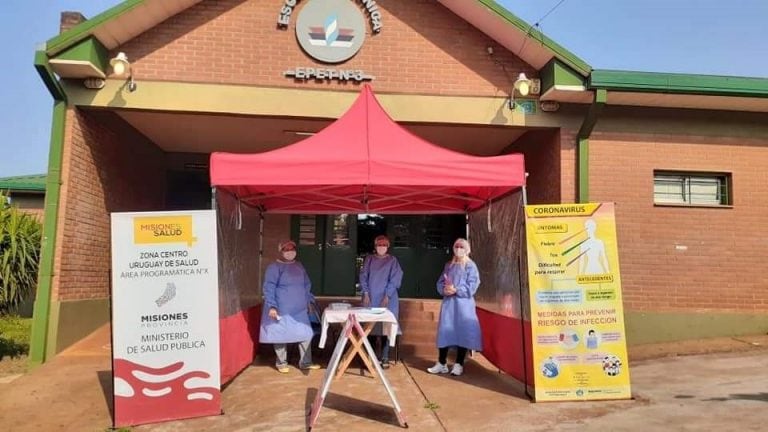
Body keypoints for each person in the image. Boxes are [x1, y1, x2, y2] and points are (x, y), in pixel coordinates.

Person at [259, 240, 321, 373]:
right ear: (281, 251)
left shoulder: (299, 266)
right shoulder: (274, 267)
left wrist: (309, 302)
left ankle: (305, 362)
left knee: (305, 333)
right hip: (282, 309)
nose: (289, 252)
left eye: (292, 249)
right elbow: (269, 287)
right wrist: (272, 306)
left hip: (299, 309)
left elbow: (306, 285)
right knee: (281, 334)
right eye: (286, 249)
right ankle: (281, 363)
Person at [427, 238, 482, 377]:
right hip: (449, 305)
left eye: (461, 246)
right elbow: (440, 282)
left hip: (464, 305)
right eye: (456, 246)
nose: (458, 249)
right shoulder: (449, 265)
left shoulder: (470, 266)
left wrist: (456, 289)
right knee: (445, 332)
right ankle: (441, 363)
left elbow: (473, 286)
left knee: (462, 333)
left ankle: (459, 364)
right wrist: (445, 289)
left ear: (467, 249)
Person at [360, 235, 403, 368]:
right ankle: (371, 357)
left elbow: (395, 279)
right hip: (371, 297)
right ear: (375, 246)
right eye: (379, 244)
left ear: (388, 246)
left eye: (384, 244)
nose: (381, 247)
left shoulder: (392, 261)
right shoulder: (369, 259)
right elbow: (363, 276)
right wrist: (366, 293)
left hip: (387, 299)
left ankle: (384, 357)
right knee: (370, 327)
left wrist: (387, 295)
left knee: (386, 327)